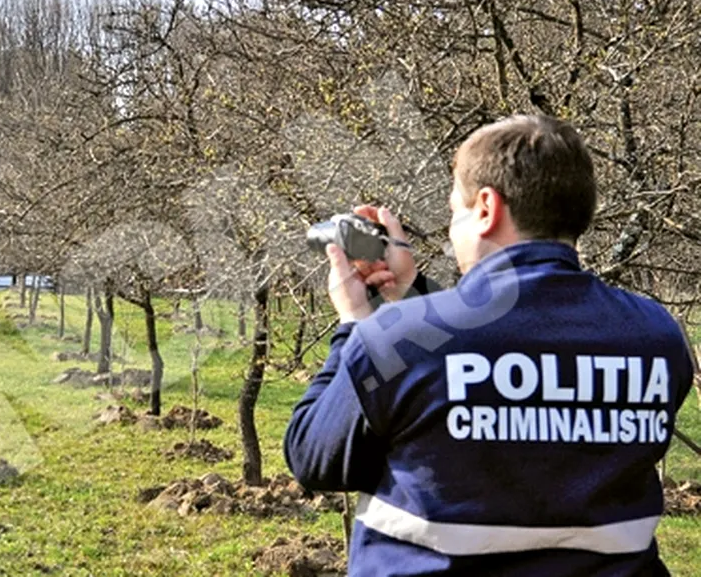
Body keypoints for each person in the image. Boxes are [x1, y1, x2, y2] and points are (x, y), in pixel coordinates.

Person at [284, 115, 695, 576]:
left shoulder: (395, 337)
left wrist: (355, 324)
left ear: (485, 208)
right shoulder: (657, 336)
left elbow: (316, 458)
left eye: (454, 212)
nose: (451, 231)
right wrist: (413, 293)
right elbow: (507, 355)